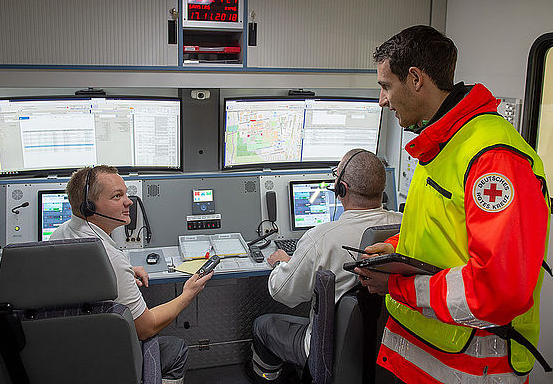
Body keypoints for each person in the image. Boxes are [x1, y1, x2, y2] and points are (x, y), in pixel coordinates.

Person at [355, 25, 551, 383]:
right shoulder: (442, 144)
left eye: (385, 86)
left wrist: (396, 286)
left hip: (470, 369)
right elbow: (445, 231)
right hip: (422, 357)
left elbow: (498, 289)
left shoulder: (492, 159)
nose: (382, 100)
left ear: (415, 78)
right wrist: (397, 250)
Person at [51, 165, 214, 384]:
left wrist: (126, 270)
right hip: (106, 360)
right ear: (89, 207)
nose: (129, 202)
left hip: (67, 353)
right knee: (176, 349)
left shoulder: (60, 233)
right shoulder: (112, 261)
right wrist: (188, 294)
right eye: (117, 196)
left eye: (126, 193)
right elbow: (146, 328)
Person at [251, 149, 403, 382]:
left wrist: (283, 264)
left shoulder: (321, 238)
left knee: (263, 325)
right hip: (389, 348)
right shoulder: (405, 227)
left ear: (341, 188)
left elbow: (283, 293)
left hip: (327, 350)